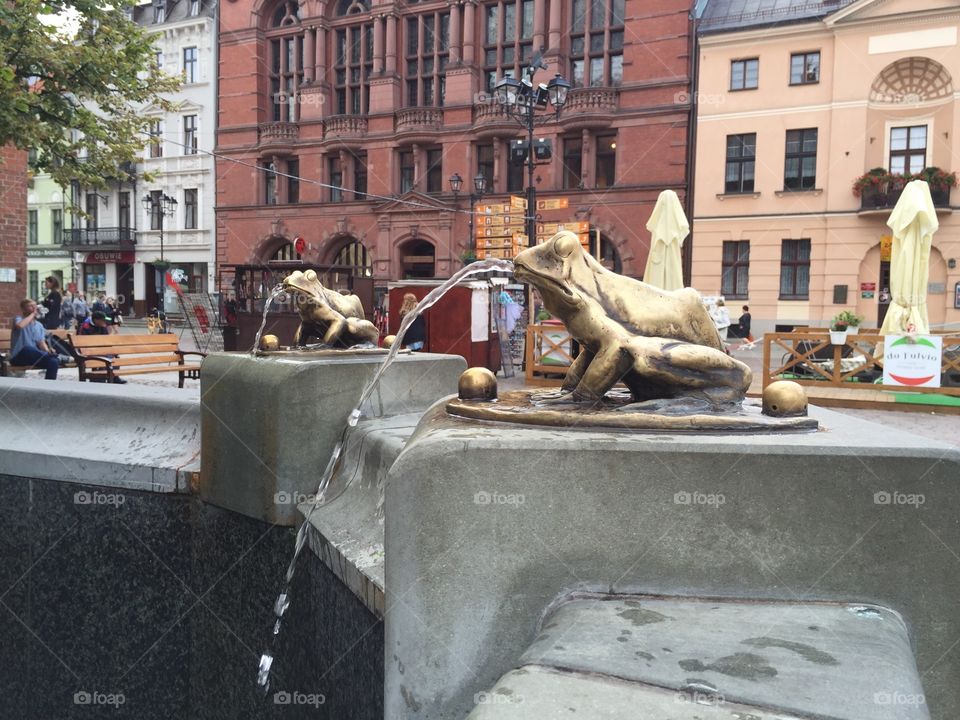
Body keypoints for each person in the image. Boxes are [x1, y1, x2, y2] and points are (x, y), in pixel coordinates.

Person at [9, 299, 59, 379]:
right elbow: (20, 326)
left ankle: (49, 386)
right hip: (18, 357)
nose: (34, 308)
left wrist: (49, 351)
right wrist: (33, 314)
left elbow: (41, 343)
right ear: (23, 309)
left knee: (53, 362)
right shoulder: (18, 319)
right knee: (28, 349)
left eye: (35, 306)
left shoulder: (39, 325)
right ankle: (60, 357)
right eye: (31, 306)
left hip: (33, 356)